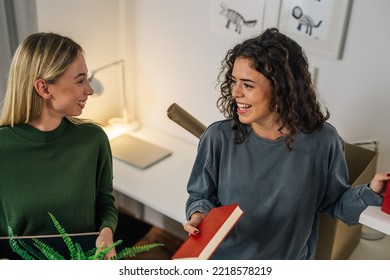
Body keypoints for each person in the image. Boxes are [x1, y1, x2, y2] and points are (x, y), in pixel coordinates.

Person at [183, 28, 389, 259]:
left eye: (248, 85)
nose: (235, 92)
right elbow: (200, 196)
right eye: (234, 81)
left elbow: (335, 203)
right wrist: (198, 215)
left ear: (281, 88)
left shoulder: (324, 142)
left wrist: (371, 191)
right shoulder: (217, 137)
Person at [0, 32, 118, 259]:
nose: (90, 89)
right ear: (44, 88)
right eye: (80, 80)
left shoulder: (93, 140)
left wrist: (106, 231)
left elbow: (105, 203)